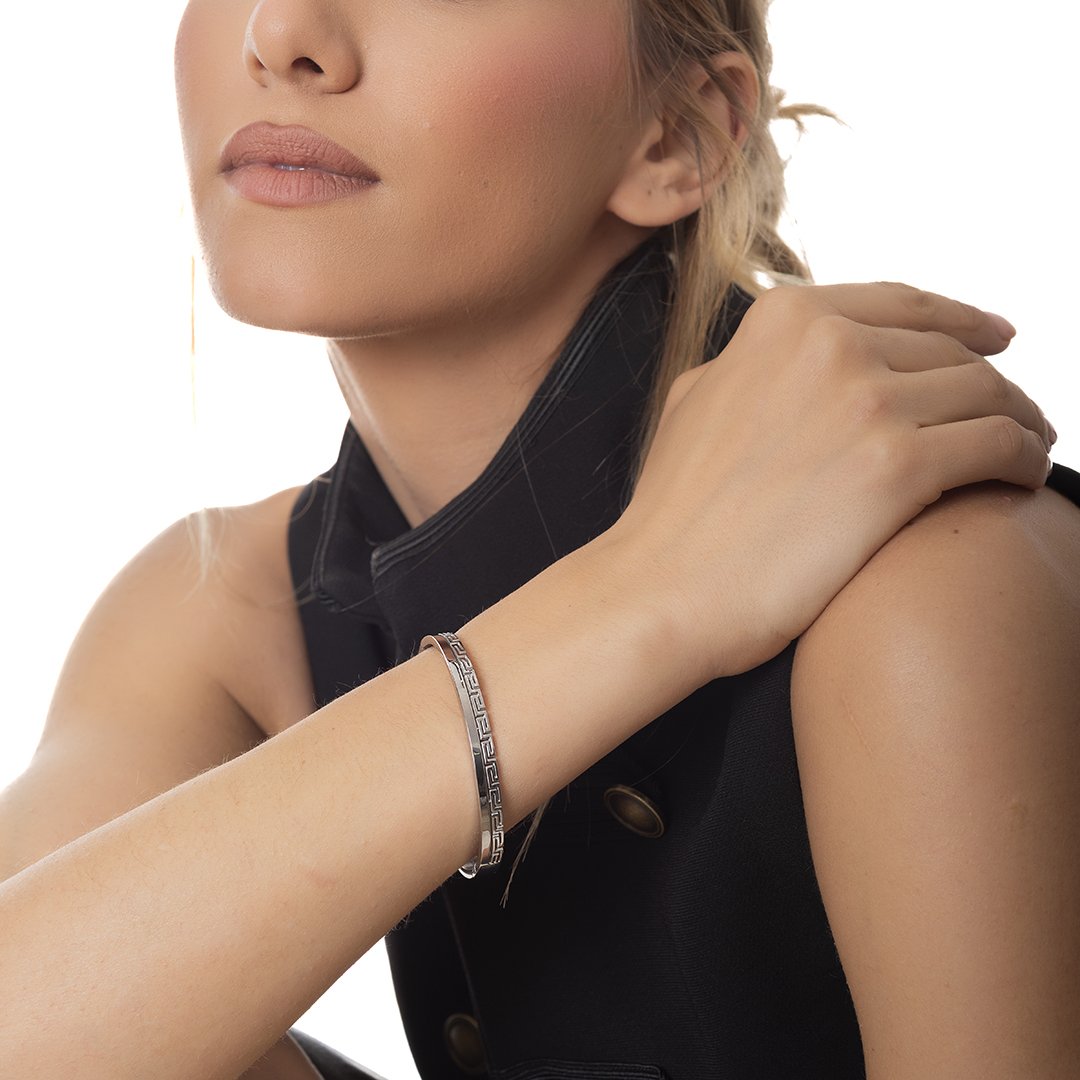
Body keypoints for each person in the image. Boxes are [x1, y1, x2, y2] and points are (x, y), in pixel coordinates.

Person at [1, 3, 1077, 1080]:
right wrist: (644, 593)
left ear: (677, 136)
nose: (282, 31)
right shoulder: (222, 609)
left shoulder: (931, 579)